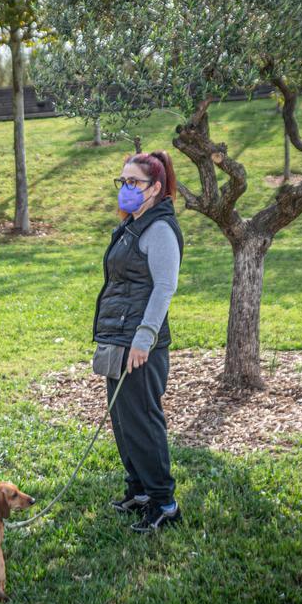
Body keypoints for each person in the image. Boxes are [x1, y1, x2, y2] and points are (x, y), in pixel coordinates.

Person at [93, 150, 184, 533]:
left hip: (139, 342)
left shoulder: (159, 229)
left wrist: (144, 338)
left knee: (143, 422)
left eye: (134, 182)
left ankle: (164, 502)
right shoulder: (133, 223)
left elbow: (165, 287)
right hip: (118, 337)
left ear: (156, 188)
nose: (126, 188)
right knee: (123, 420)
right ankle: (140, 491)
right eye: (123, 181)